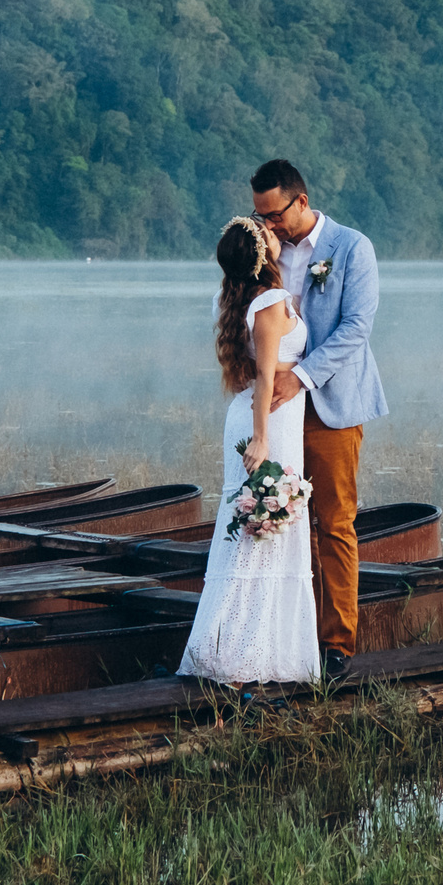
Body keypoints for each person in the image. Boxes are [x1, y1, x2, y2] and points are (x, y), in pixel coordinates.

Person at [250, 158, 387, 678]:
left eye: (275, 214)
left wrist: (300, 377)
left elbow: (356, 329)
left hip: (330, 405)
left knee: (334, 523)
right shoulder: (268, 250)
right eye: (260, 215)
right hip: (279, 411)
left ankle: (337, 646)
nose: (270, 224)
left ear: (301, 202)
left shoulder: (352, 247)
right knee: (279, 520)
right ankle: (287, 636)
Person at [177, 216, 320, 685]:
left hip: (252, 414)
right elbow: (265, 378)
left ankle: (249, 648)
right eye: (270, 235)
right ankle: (246, 656)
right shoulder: (272, 303)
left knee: (255, 530)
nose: (279, 236)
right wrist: (261, 438)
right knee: (263, 529)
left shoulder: (233, 299)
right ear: (262, 255)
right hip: (268, 420)